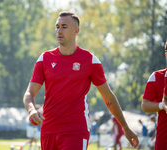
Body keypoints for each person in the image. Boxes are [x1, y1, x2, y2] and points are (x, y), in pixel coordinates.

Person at [23, 11, 138, 150]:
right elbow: (29, 93)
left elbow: (108, 96)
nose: (59, 30)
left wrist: (125, 127)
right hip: (48, 129)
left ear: (76, 31)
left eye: (64, 26)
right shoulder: (44, 59)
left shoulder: (90, 60)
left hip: (76, 130)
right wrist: (31, 110)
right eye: (57, 26)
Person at [141, 40, 167, 150]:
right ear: (166, 55)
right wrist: (162, 105)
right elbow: (145, 105)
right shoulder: (156, 77)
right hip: (164, 139)